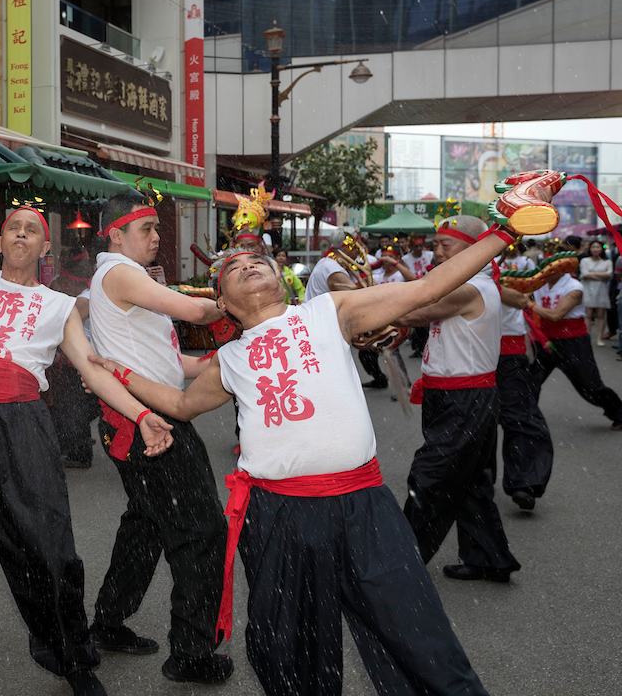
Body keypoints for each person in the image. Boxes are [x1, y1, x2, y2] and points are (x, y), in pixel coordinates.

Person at [87, 221, 525, 695]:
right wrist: (119, 371)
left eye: (258, 261)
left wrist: (506, 230)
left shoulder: (330, 311)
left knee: (420, 637)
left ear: (281, 281)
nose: (249, 264)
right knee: (290, 654)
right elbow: (179, 404)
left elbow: (429, 287)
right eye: (233, 268)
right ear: (225, 305)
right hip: (280, 517)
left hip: (365, 507)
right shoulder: (230, 358)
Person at [0, 194, 175, 696]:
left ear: (45, 246)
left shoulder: (60, 305)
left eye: (33, 229)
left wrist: (141, 413)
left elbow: (91, 367)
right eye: (14, 228)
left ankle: (73, 659)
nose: (22, 234)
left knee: (47, 548)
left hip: (21, 423)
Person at [89, 194, 233, 686]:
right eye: (146, 228)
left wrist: (226, 361)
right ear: (115, 233)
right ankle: (190, 653)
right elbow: (195, 312)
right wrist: (248, 304)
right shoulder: (117, 270)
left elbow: (177, 363)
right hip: (150, 421)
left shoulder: (134, 280)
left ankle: (108, 621)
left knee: (146, 524)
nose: (156, 237)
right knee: (201, 531)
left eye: (156, 228)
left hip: (141, 415)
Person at [394, 215, 520, 584]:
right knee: (470, 481)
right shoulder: (466, 283)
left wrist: (358, 313)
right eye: (435, 244)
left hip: (464, 399)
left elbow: (413, 311)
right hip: (455, 396)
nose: (436, 251)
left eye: (444, 244)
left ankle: (399, 560)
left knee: (429, 476)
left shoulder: (472, 287)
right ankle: (490, 559)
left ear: (473, 249)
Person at [531, 269, 622, 432]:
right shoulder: (538, 283)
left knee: (590, 386)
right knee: (530, 381)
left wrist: (528, 304)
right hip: (545, 341)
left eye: (555, 268)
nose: (549, 271)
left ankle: (619, 413)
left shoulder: (574, 286)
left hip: (572, 342)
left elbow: (556, 315)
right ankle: (525, 419)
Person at [305, 229, 387, 390]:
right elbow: (357, 299)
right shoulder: (333, 269)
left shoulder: (331, 262)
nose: (360, 251)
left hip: (322, 327)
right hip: (320, 330)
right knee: (329, 375)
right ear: (347, 248)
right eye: (357, 247)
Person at [496, 280, 552, 512]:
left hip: (508, 356)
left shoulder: (491, 273)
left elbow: (521, 299)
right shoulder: (455, 272)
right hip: (471, 356)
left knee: (518, 419)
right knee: (476, 422)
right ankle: (468, 484)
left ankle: (524, 483)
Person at [46, 247, 101, 468]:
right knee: (68, 406)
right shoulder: (83, 291)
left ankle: (79, 451)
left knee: (74, 406)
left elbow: (65, 318)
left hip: (85, 362)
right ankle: (72, 443)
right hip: (76, 361)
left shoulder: (86, 297)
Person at [578, 240, 612, 344]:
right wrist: (601, 274)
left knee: (601, 315)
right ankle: (587, 336)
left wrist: (591, 274)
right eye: (593, 247)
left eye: (598, 247)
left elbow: (609, 275)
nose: (595, 249)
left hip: (601, 290)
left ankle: (599, 338)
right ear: (590, 248)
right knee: (587, 314)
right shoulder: (584, 260)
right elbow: (584, 274)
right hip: (587, 289)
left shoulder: (607, 261)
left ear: (602, 249)